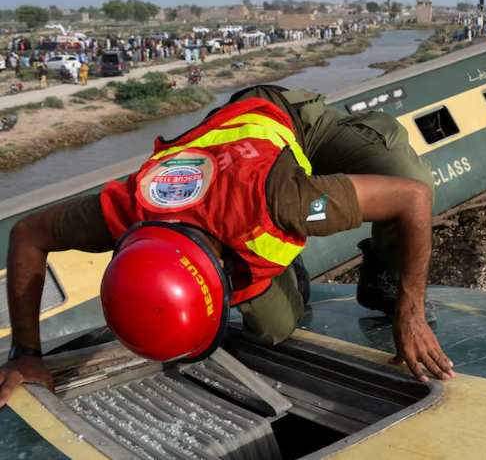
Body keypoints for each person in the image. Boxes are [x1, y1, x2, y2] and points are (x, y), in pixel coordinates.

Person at [0, 85, 454, 408]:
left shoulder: (283, 202)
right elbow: (28, 234)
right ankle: (282, 271)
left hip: (283, 121)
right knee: (275, 330)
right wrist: (26, 355)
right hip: (226, 174)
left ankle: (383, 284)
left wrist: (409, 311)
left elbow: (412, 200)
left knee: (407, 174)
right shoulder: (127, 207)